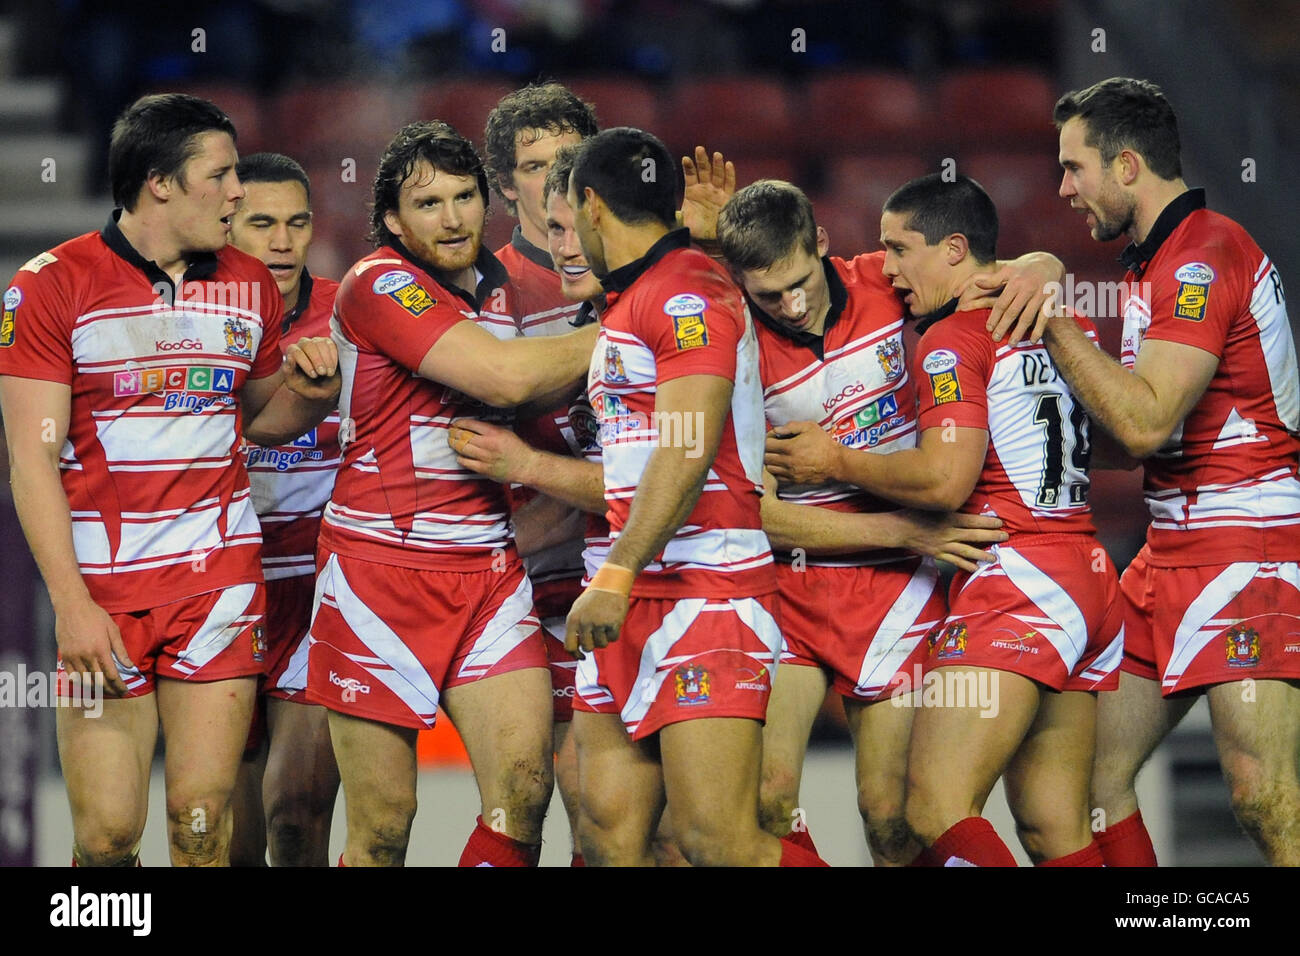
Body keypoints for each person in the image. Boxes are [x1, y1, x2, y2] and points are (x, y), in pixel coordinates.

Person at [0, 93, 339, 866]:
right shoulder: (51, 286)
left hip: (219, 580)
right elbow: (31, 459)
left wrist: (309, 397)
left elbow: (256, 418)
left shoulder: (250, 282)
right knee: (107, 836)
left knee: (200, 821)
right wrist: (71, 606)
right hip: (103, 597)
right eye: (219, 177)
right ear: (160, 182)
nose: (236, 194)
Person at [766, 173, 1125, 866]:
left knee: (930, 807)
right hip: (1084, 571)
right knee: (1056, 825)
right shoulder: (1054, 318)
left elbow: (942, 478)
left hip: (1015, 572)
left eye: (900, 249)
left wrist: (834, 461)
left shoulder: (950, 338)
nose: (891, 270)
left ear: (955, 249)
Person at [307, 120, 597, 866]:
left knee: (524, 794)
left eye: (465, 196)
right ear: (394, 223)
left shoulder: (502, 289)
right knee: (383, 825)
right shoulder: (379, 282)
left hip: (489, 574)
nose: (453, 216)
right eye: (428, 203)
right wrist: (640, 318)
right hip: (379, 575)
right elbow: (505, 377)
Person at [1025, 77, 1300, 866]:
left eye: (1075, 168)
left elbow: (1144, 421)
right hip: (1172, 545)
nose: (1063, 188)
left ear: (1129, 164)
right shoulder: (1160, 260)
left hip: (1247, 542)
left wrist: (1051, 314)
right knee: (1086, 783)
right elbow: (1137, 428)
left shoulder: (1202, 256)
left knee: (1265, 800)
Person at [716, 179, 1018, 864]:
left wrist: (1044, 266)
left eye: (798, 281)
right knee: (764, 800)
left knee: (890, 816)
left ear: (820, 243)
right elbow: (757, 516)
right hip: (791, 588)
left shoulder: (890, 286)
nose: (789, 306)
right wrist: (904, 533)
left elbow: (984, 265)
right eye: (767, 296)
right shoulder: (731, 352)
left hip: (895, 594)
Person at [545, 127, 818, 867]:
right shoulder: (647, 292)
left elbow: (689, 442)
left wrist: (617, 571)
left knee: (716, 840)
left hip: (706, 591)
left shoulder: (687, 290)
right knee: (605, 835)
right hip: (632, 592)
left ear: (592, 205)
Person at [483, 84, 599, 863]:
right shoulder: (484, 295)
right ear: (504, 185)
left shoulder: (656, 272)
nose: (552, 176)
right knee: (524, 801)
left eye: (567, 159)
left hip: (649, 571)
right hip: (533, 586)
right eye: (533, 165)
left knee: (621, 822)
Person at [226, 153, 341, 867]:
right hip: (224, 584)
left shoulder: (357, 314)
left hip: (319, 584)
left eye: (297, 223)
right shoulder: (191, 319)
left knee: (297, 820)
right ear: (223, 228)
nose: (283, 242)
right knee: (222, 843)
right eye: (261, 224)